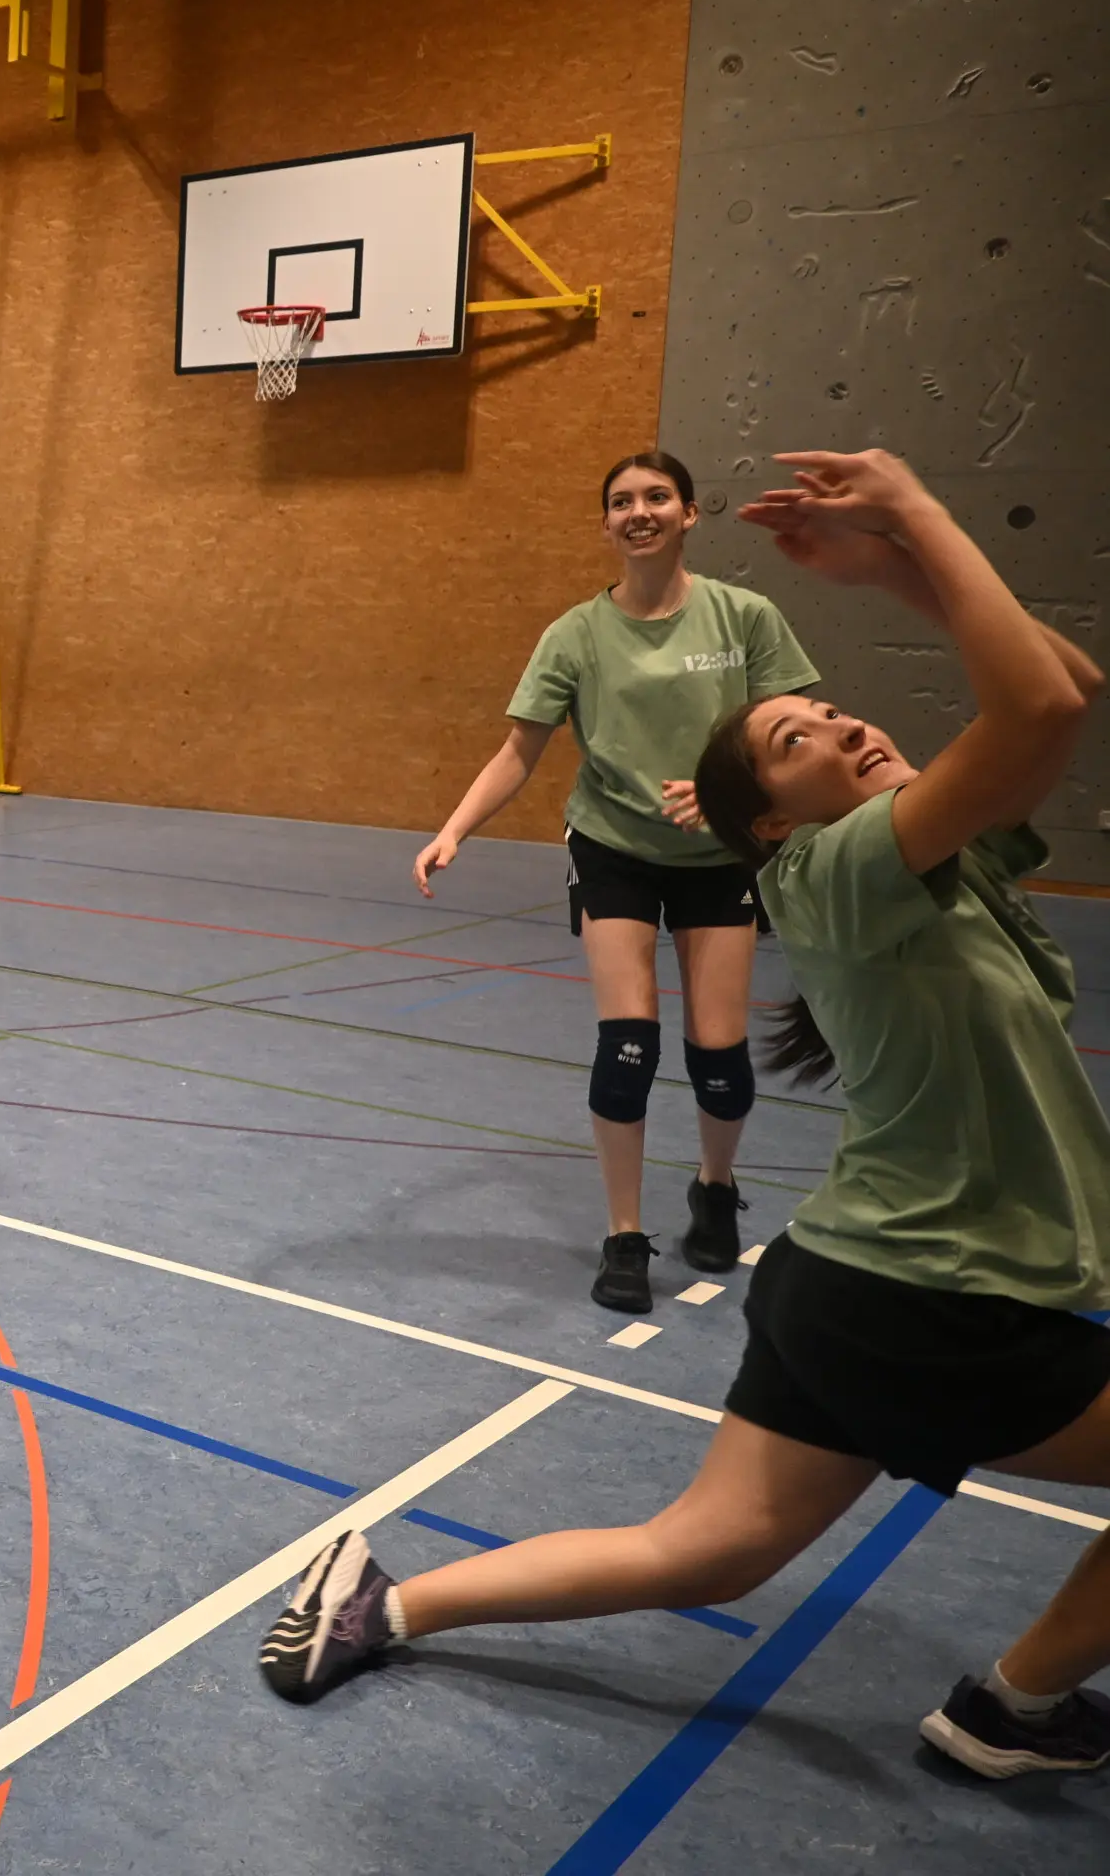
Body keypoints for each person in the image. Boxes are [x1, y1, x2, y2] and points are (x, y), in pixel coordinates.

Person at [262, 450, 1110, 1779]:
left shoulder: (942, 858)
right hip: (930, 1299)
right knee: (630, 1047)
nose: (835, 725)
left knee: (698, 1552)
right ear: (772, 826)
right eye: (799, 741)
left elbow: (1070, 689)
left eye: (828, 712)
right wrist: (919, 523)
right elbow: (1043, 709)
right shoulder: (837, 874)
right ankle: (1020, 1708)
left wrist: (893, 578)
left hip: (843, 1282)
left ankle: (384, 1602)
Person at [414, 451, 819, 1312]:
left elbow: (799, 739)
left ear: (688, 512)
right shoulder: (575, 635)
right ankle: (625, 1235)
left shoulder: (744, 618)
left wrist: (733, 805)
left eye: (656, 498)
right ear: (606, 524)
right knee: (626, 1047)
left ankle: (714, 1187)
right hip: (614, 850)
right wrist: (454, 829)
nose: (640, 512)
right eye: (622, 502)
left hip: (719, 857)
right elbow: (518, 749)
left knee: (719, 1058)